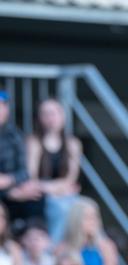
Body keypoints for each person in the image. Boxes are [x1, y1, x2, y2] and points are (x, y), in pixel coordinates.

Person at [25, 98, 82, 242]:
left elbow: (71, 178)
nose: (51, 118)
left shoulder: (73, 144)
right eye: (46, 113)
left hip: (64, 194)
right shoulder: (33, 142)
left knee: (86, 209)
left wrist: (59, 189)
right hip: (41, 195)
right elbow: (31, 178)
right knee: (60, 208)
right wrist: (53, 189)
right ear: (39, 118)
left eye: (54, 113)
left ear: (63, 116)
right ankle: (54, 248)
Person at [0, 90, 42, 228]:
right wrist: (10, 193)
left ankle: (31, 244)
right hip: (7, 193)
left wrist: (11, 181)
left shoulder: (16, 135)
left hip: (12, 190)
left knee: (36, 199)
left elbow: (25, 171)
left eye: (2, 105)